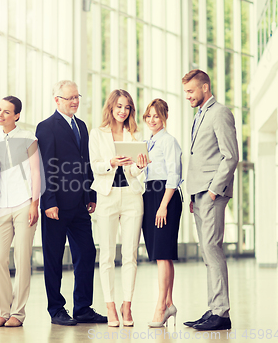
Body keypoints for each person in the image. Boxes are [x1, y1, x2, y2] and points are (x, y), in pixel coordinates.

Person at [35, 80, 107, 326]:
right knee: (53, 258)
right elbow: (46, 168)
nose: (75, 101)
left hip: (79, 202)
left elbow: (85, 162)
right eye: (70, 98)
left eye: (77, 97)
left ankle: (83, 308)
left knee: (86, 252)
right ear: (57, 100)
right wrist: (49, 202)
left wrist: (91, 194)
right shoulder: (46, 128)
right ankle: (56, 309)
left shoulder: (82, 126)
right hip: (55, 204)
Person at [182, 69, 238, 331]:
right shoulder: (200, 115)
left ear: (205, 87)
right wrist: (194, 194)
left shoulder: (220, 113)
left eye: (191, 91)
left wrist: (214, 190)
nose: (188, 96)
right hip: (200, 194)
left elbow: (230, 156)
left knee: (212, 250)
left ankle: (221, 313)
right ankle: (214, 307)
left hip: (212, 193)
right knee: (207, 252)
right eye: (186, 92)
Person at [88, 89, 145, 327]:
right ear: (111, 107)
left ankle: (127, 305)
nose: (123, 111)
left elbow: (134, 171)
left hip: (132, 196)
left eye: (127, 107)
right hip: (107, 196)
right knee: (108, 255)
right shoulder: (98, 133)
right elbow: (94, 166)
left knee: (130, 254)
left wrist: (139, 166)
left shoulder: (135, 134)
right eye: (119, 106)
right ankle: (110, 305)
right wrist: (111, 162)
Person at [0, 96, 41, 328]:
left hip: (24, 203)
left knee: (21, 258)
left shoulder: (29, 138)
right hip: (0, 207)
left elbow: (36, 172)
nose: (0, 115)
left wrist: (34, 204)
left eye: (6, 112)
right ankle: (3, 310)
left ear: (17, 115)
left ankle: (17, 313)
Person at [141, 99, 183, 328]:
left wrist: (163, 205)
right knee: (161, 253)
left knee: (163, 253)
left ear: (164, 117)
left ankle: (161, 307)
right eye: (148, 116)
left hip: (164, 196)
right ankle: (169, 303)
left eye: (156, 116)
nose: (151, 120)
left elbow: (174, 176)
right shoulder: (147, 143)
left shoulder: (169, 142)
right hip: (150, 194)